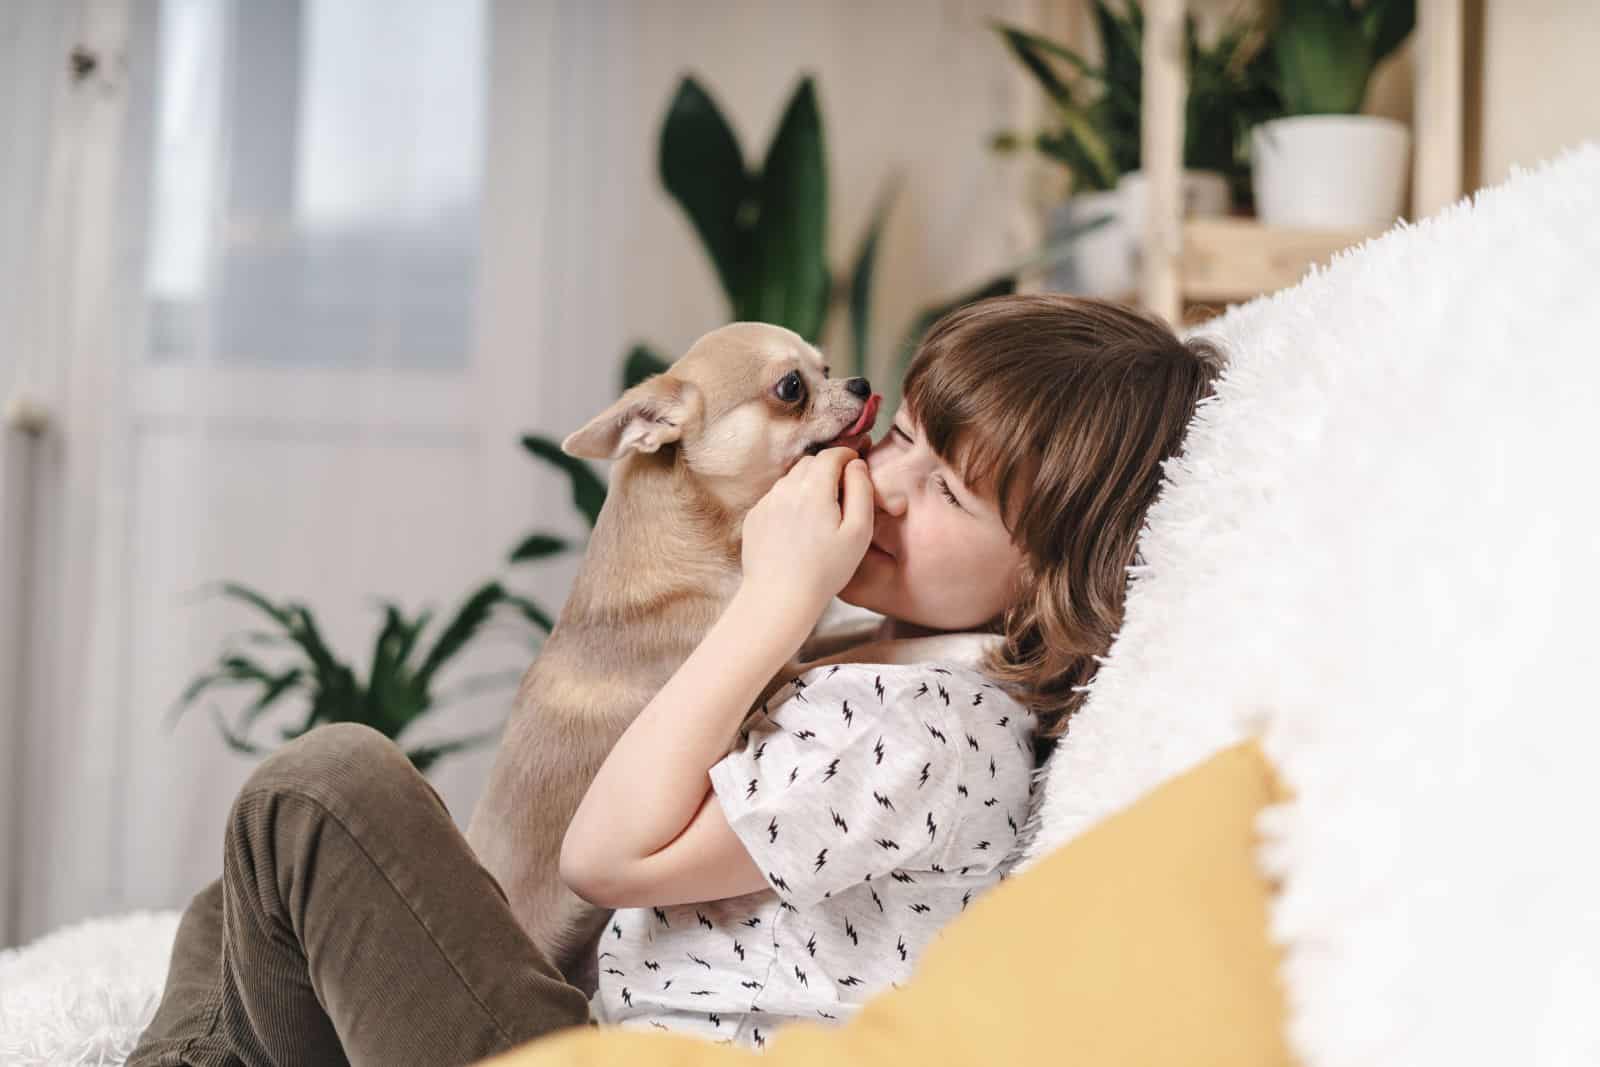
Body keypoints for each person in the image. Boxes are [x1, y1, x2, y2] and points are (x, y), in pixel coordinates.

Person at [129, 294, 1224, 1067]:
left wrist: (774, 597)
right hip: (597, 1027)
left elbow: (606, 856)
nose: (878, 479)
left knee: (326, 788)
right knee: (240, 902)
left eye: (942, 489)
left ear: (1047, 582)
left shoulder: (933, 732)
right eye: (899, 437)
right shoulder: (878, 661)